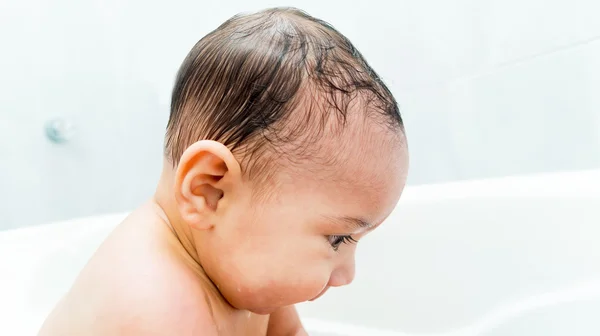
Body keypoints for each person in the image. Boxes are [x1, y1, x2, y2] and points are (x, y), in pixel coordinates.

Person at [39, 7, 409, 335]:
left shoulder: (243, 265)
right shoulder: (154, 308)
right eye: (337, 240)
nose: (347, 276)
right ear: (210, 191)